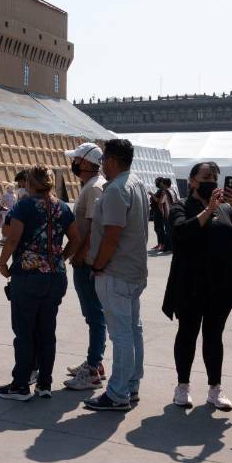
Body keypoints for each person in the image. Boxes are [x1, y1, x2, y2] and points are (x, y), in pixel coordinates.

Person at [162, 162, 232, 411]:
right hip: (190, 284)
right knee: (187, 333)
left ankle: (215, 388)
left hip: (220, 284)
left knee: (214, 336)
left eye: (214, 177)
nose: (211, 180)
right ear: (191, 181)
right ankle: (182, 386)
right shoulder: (181, 206)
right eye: (205, 177)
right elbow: (180, 231)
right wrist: (207, 210)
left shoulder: (224, 208)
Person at [0, 165, 80, 400]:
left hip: (28, 275)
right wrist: (59, 258)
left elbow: (13, 239)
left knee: (24, 332)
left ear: (31, 183)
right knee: (46, 331)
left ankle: (21, 385)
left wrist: (3, 263)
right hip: (55, 277)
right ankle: (44, 384)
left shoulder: (25, 205)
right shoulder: (62, 207)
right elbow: (76, 239)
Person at [83, 139, 150, 412]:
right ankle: (131, 384)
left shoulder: (115, 190)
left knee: (121, 334)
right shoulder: (136, 184)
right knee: (133, 330)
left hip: (115, 271)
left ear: (111, 160)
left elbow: (112, 235)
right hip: (133, 270)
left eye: (103, 161)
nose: (102, 166)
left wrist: (98, 265)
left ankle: (118, 392)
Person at [62, 143, 109, 391]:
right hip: (85, 258)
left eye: (77, 159)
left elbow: (91, 228)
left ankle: (92, 368)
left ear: (88, 163)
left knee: (94, 315)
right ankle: (95, 362)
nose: (74, 164)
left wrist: (79, 255)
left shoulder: (94, 188)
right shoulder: (90, 187)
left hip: (87, 260)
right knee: (93, 314)